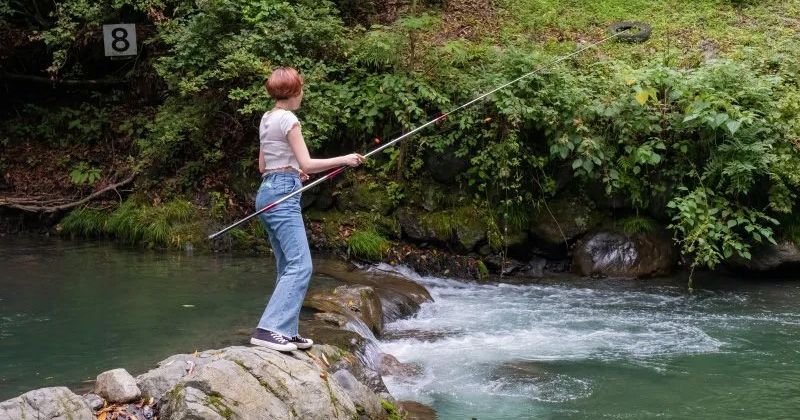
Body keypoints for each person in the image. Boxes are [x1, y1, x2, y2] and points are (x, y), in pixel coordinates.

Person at [251, 67, 364, 352]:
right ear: (294, 92)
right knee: (301, 265)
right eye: (301, 89)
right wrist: (345, 159)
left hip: (266, 192)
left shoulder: (267, 118)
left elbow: (263, 167)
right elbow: (308, 163)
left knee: (287, 265)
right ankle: (269, 329)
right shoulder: (289, 119)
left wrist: (291, 171)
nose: (303, 94)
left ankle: (287, 330)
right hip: (282, 195)